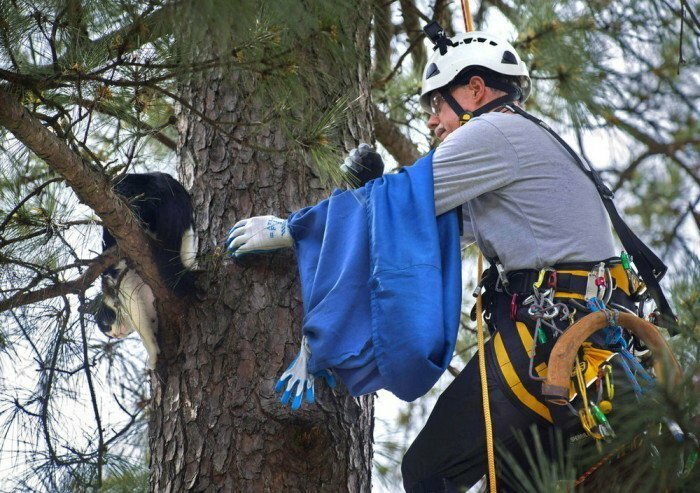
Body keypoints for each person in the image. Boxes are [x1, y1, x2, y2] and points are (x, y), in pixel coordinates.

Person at [227, 23, 672, 492]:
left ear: (476, 90)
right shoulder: (529, 143)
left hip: (546, 341)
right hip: (591, 358)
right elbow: (422, 231)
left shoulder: (493, 132)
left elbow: (405, 202)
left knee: (429, 472)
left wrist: (292, 228)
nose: (432, 122)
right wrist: (369, 196)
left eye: (437, 104)